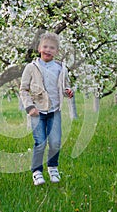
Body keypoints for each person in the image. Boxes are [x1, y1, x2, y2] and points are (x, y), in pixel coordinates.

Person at [20, 32, 73, 185]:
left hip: (54, 111)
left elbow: (65, 86)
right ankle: (37, 171)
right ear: (39, 48)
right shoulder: (31, 67)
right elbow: (23, 89)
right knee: (40, 142)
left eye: (52, 48)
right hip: (37, 112)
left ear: (57, 51)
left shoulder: (61, 68)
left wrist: (68, 92)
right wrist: (30, 107)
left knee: (55, 142)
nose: (48, 50)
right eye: (45, 47)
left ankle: (53, 167)